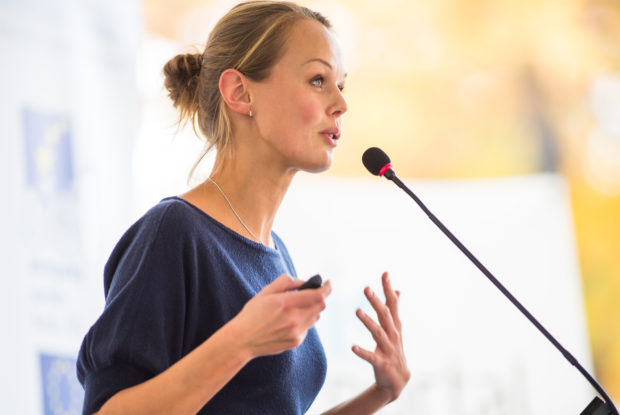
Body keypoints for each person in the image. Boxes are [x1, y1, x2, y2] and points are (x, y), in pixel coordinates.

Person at [76, 1, 410, 414]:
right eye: (319, 79)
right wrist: (242, 341)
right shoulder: (174, 233)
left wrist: (381, 393)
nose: (341, 103)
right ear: (240, 92)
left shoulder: (276, 254)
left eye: (342, 85)